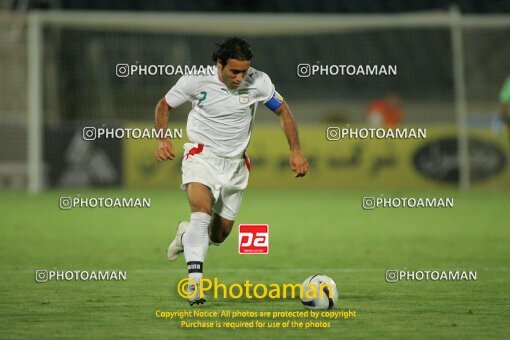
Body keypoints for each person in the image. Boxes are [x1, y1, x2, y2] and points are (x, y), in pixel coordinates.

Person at [154, 37, 309, 305]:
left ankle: (185, 233)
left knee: (219, 235)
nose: (240, 77)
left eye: (244, 71)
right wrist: (162, 138)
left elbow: (283, 111)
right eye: (233, 71)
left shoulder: (259, 82)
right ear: (219, 64)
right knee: (201, 212)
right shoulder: (195, 80)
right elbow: (163, 106)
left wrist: (295, 150)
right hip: (201, 156)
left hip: (236, 165)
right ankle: (195, 287)